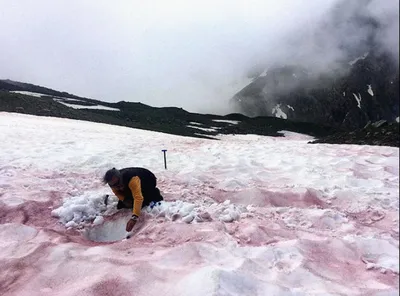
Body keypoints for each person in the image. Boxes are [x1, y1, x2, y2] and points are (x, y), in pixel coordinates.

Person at [103, 167, 164, 232]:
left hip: (148, 179)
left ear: (120, 179)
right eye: (112, 185)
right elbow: (117, 192)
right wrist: (124, 199)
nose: (115, 187)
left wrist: (134, 218)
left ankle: (154, 193)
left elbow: (138, 198)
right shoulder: (112, 182)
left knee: (143, 202)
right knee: (122, 205)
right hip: (128, 184)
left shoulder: (132, 178)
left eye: (117, 184)